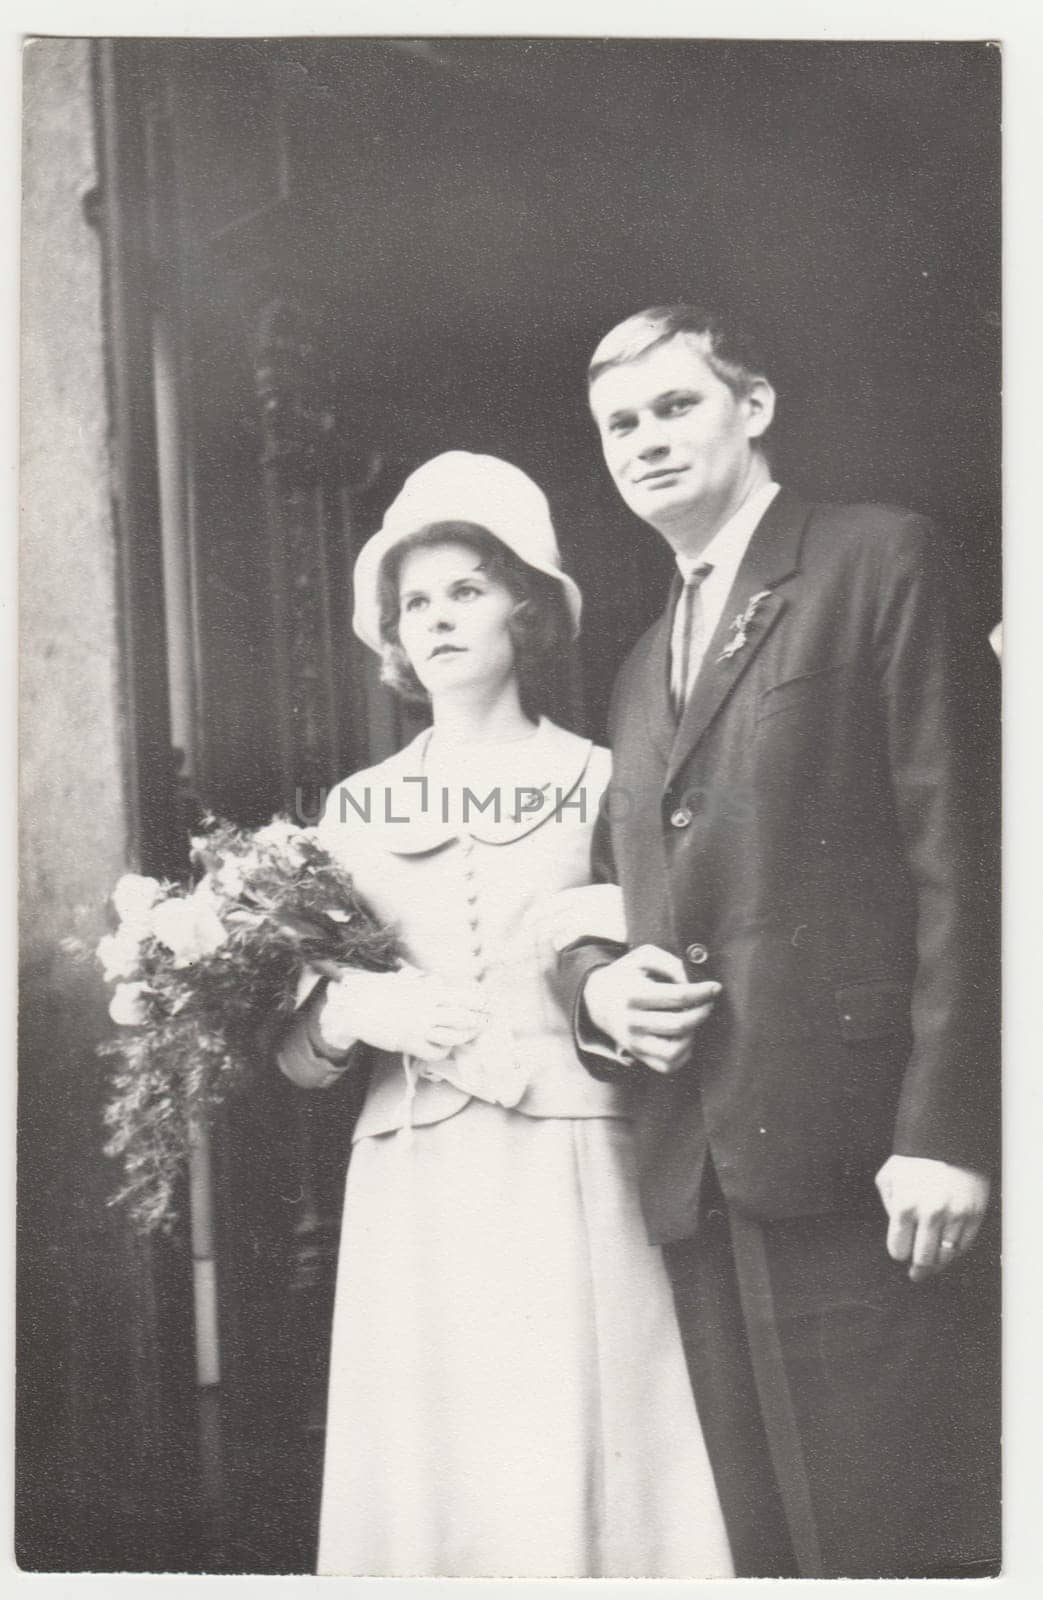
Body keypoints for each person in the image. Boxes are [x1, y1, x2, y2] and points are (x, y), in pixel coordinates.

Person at [560, 305, 1000, 1579]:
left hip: (871, 1161)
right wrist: (599, 997)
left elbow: (966, 857)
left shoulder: (878, 559)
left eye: (673, 405)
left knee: (895, 1541)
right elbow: (607, 891)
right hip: (700, 1170)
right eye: (617, 425)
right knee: (774, 1555)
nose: (643, 440)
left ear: (752, 409)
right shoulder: (642, 664)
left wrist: (948, 1131)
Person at [276, 451, 734, 1579]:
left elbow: (643, 966)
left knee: (580, 1443)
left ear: (524, 608)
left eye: (465, 589)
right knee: (438, 1474)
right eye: (413, 600)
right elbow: (294, 1056)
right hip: (415, 1176)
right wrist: (350, 1010)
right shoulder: (353, 807)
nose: (434, 617)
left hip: (568, 1164)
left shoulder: (599, 778)